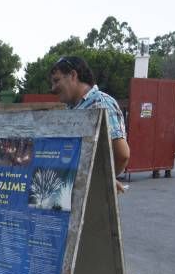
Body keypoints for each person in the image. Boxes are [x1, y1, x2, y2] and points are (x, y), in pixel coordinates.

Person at [49, 56, 129, 192]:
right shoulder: (71, 109)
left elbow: (122, 154)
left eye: (57, 81)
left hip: (89, 194)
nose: (53, 88)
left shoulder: (100, 104)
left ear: (73, 75)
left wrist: (100, 179)